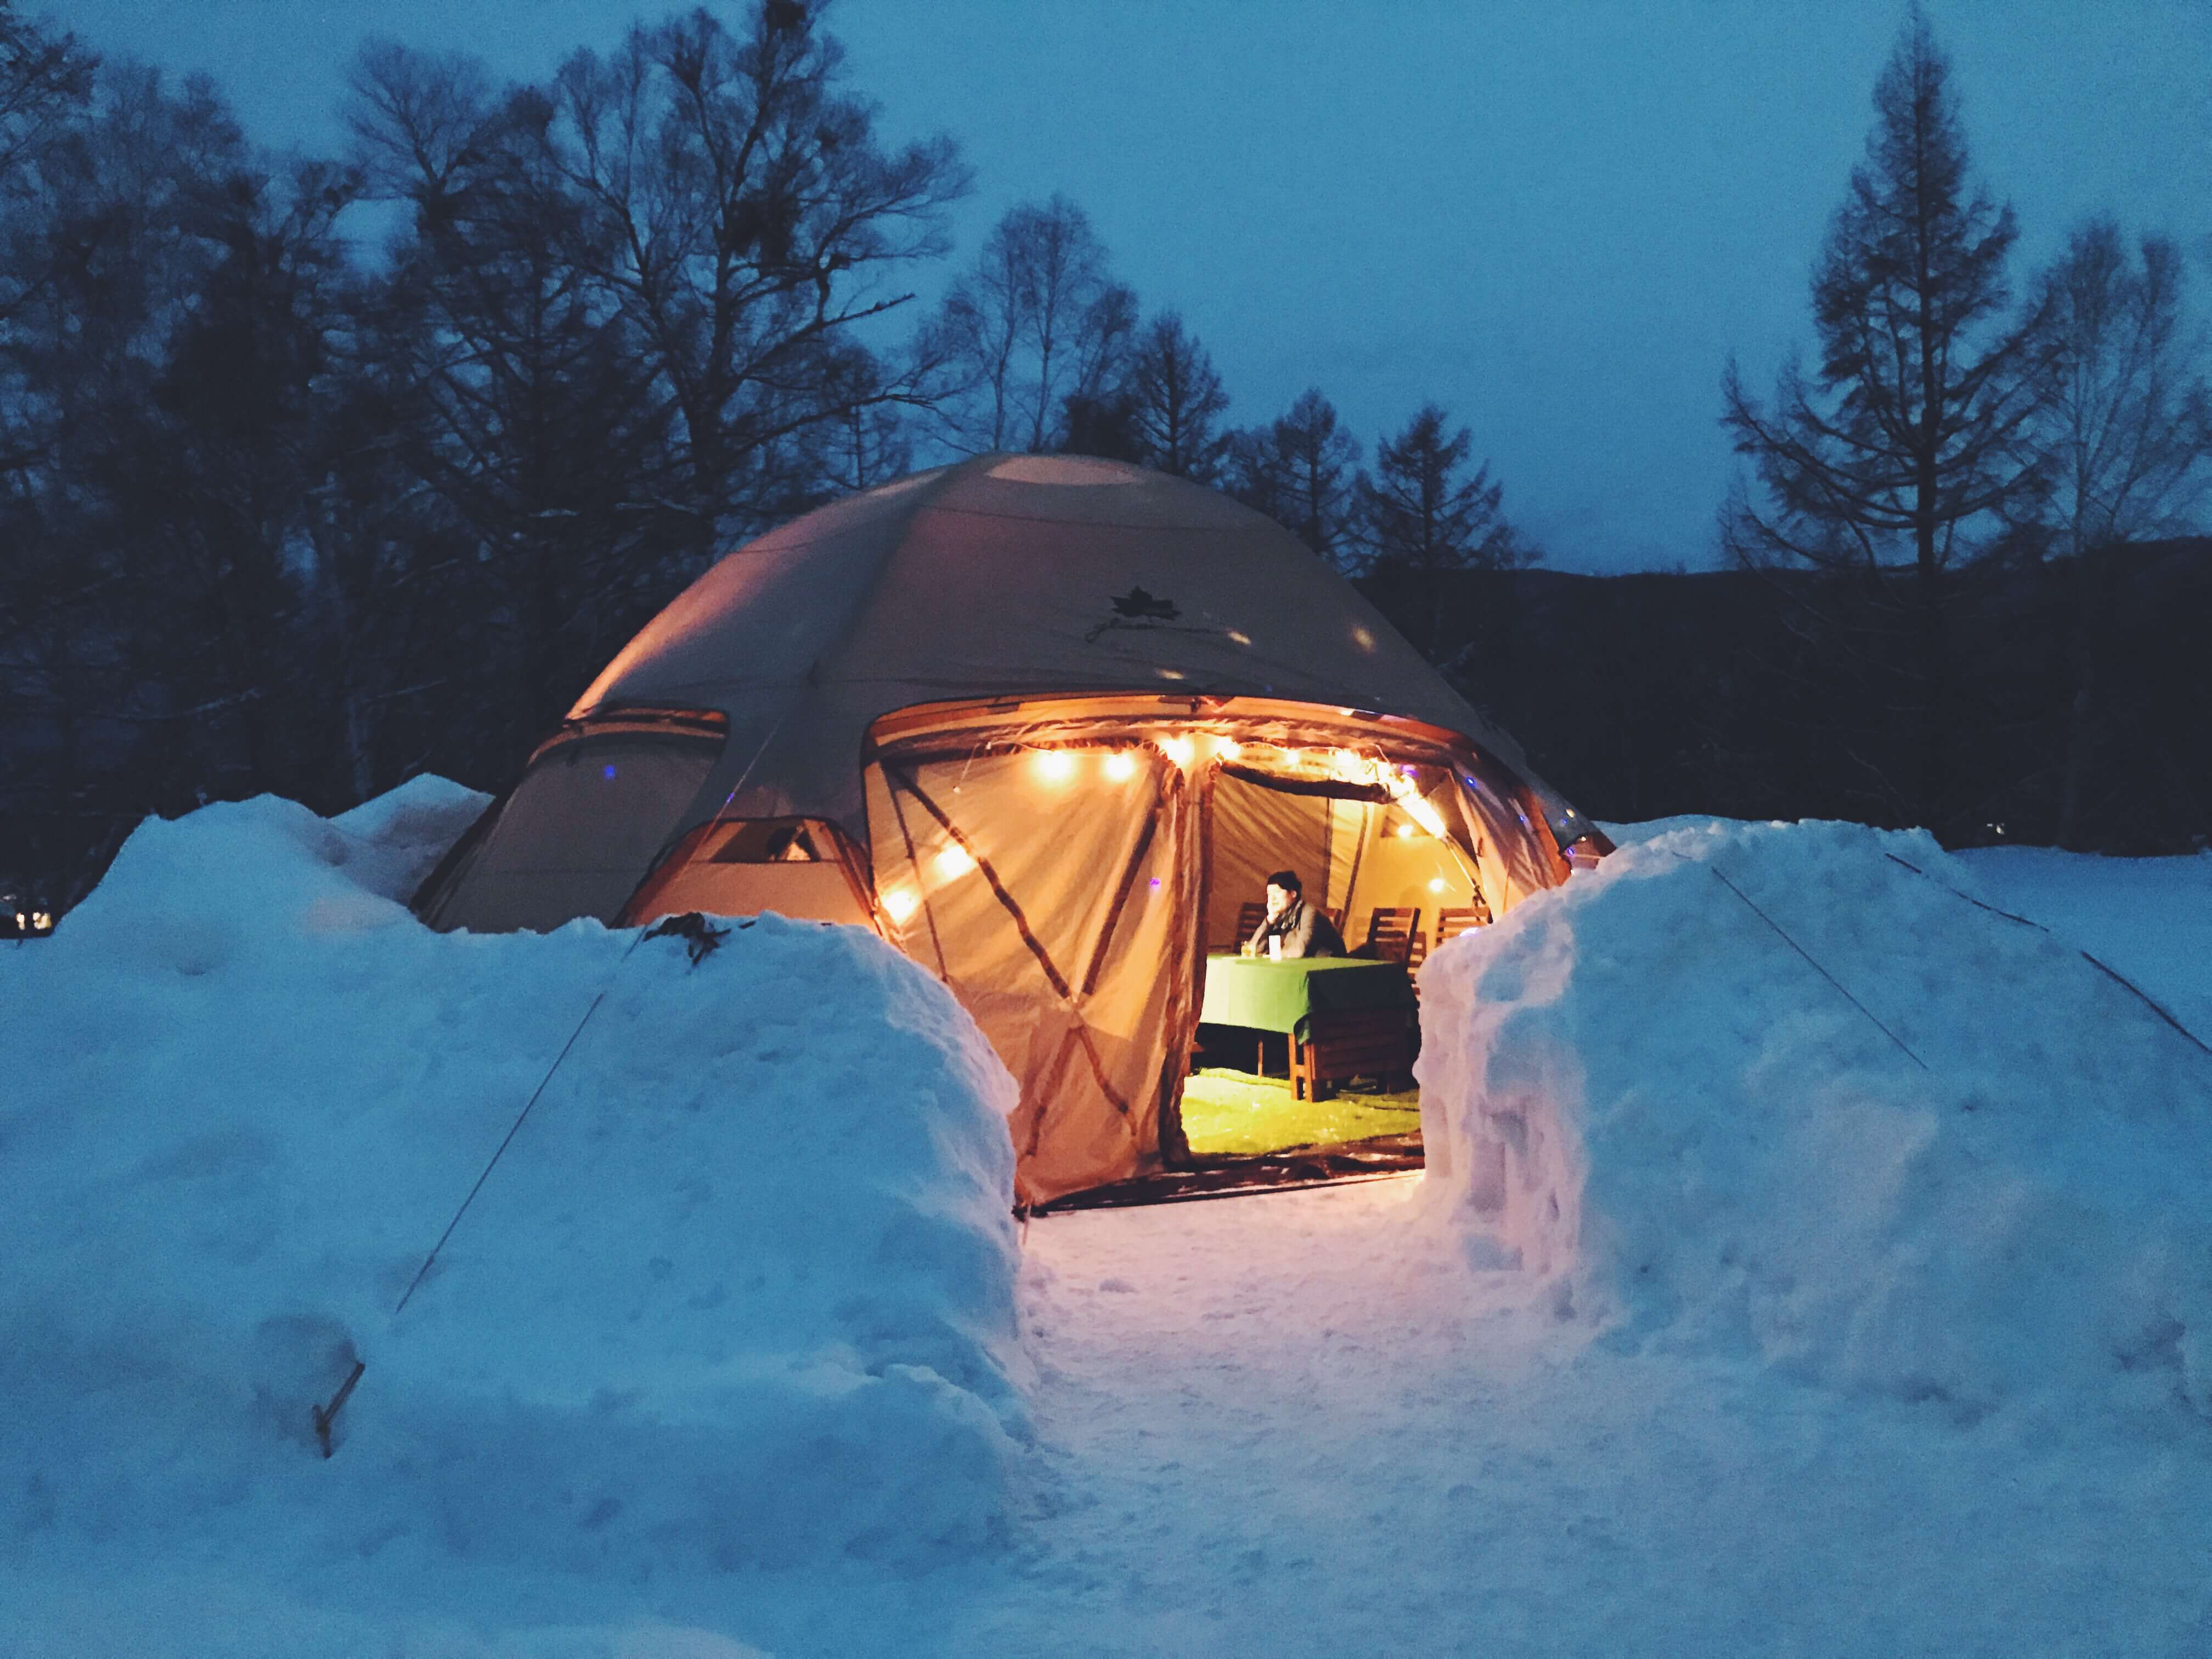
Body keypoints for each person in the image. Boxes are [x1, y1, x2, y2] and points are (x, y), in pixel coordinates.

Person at [1243, 869, 1344, 960]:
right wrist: (1269, 920)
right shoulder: (1279, 915)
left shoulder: (1309, 912)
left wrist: (1271, 956)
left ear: (1293, 894)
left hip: (1328, 968)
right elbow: (1254, 950)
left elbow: (1299, 951)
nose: (1272, 899)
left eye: (1277, 892)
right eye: (1269, 894)